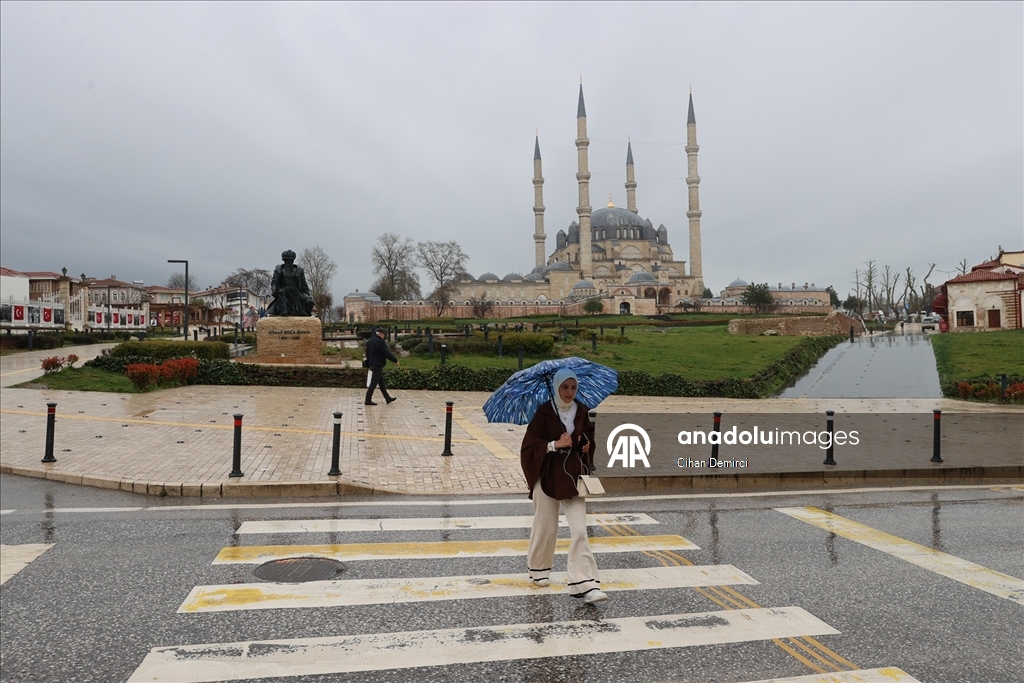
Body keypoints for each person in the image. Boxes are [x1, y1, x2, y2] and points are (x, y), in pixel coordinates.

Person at [520, 368, 606, 603]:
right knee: (545, 527)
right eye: (565, 387)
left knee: (579, 530)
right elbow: (528, 447)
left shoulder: (582, 411)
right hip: (547, 476)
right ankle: (538, 569)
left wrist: (586, 445)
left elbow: (589, 437)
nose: (569, 392)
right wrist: (553, 444)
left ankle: (585, 584)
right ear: (557, 387)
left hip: (573, 478)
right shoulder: (544, 412)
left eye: (573, 387)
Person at [267, 250, 315, 317]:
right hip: (284, 291)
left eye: (289, 261)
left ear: (292, 261)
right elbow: (274, 282)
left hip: (296, 291)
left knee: (309, 302)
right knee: (282, 293)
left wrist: (308, 296)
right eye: (286, 261)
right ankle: (284, 311)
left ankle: (307, 314)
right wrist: (274, 289)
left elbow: (304, 285)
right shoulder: (279, 270)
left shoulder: (299, 271)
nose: (287, 263)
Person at [364, 327, 399, 406]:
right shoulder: (380, 342)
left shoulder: (370, 341)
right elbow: (386, 353)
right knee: (373, 382)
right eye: (384, 335)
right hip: (378, 364)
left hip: (372, 364)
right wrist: (395, 360)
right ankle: (368, 400)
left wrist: (369, 362)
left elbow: (367, 353)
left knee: (381, 382)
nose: (384, 337)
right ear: (381, 334)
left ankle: (387, 398)